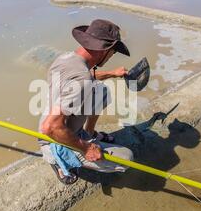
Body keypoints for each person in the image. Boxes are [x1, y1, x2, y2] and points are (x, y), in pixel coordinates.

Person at [38, 19, 135, 185]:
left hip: (59, 121)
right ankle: (57, 159)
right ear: (104, 50)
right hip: (55, 138)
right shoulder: (82, 79)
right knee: (127, 158)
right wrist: (86, 148)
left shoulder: (67, 58)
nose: (112, 56)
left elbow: (85, 76)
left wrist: (113, 73)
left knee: (101, 91)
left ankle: (88, 133)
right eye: (113, 52)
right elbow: (50, 127)